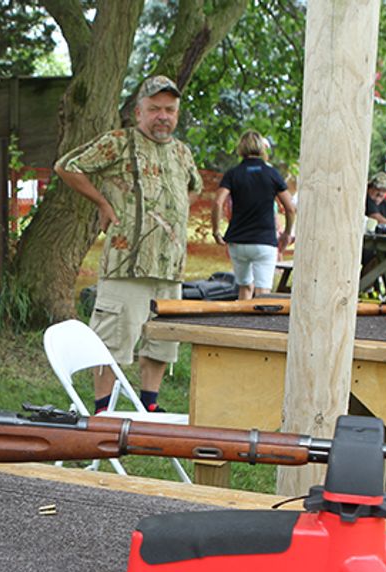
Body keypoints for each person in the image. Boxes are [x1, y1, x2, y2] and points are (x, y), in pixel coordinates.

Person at [54, 75, 202, 414]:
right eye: (154, 109)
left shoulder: (182, 152)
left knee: (162, 343)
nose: (163, 116)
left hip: (170, 269)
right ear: (138, 113)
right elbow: (67, 167)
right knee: (111, 342)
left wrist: (169, 214)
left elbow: (193, 188)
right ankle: (104, 410)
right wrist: (105, 204)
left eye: (170, 110)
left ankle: (149, 405)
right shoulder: (119, 142)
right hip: (126, 265)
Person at [210, 130, 296, 300]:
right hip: (264, 242)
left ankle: (241, 323)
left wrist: (216, 231)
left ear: (240, 148)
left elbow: (218, 202)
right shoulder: (272, 174)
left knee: (245, 287)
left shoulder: (233, 174)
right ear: (262, 149)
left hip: (238, 241)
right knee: (263, 294)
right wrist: (287, 233)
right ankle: (260, 325)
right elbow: (290, 208)